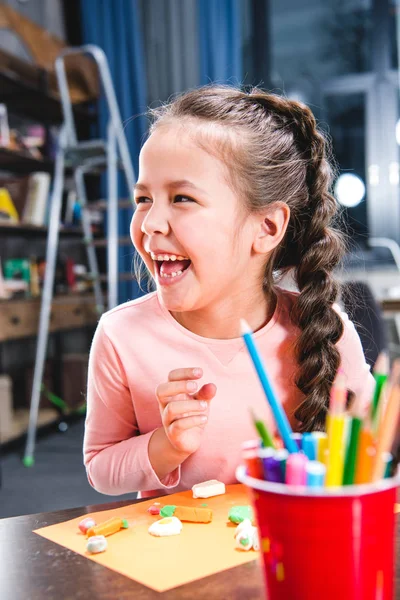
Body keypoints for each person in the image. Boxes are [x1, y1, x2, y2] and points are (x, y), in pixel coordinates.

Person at [84, 85, 374, 497]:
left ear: (267, 228)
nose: (149, 223)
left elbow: (365, 457)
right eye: (143, 198)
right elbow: (100, 466)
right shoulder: (121, 335)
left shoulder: (327, 332)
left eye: (182, 198)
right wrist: (166, 447)